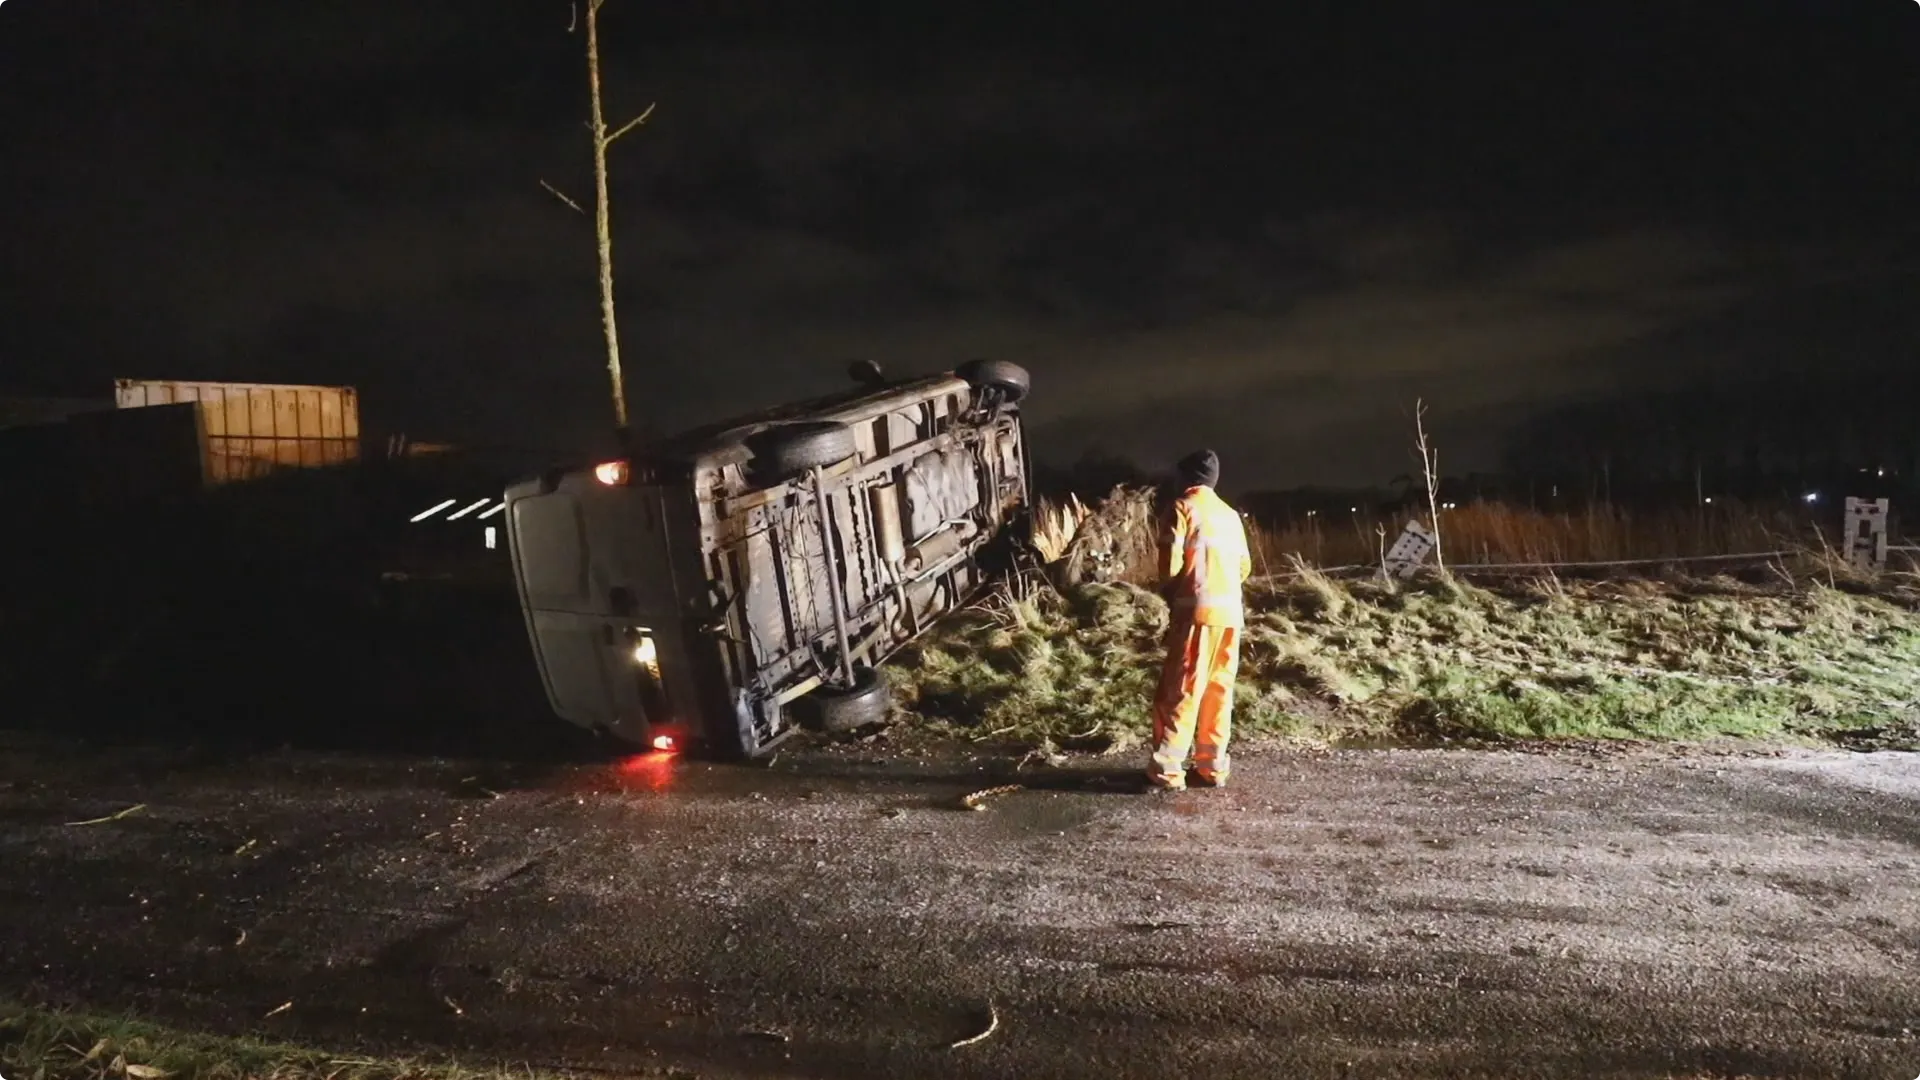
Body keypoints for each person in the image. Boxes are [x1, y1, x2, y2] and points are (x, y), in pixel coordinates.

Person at [1149, 449, 1252, 791]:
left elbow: (1169, 569)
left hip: (1196, 615)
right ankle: (1212, 767)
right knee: (1219, 691)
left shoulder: (1181, 509)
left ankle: (1168, 769)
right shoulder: (1230, 515)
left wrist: (1173, 594)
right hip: (1230, 617)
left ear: (1186, 478)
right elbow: (1244, 568)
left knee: (1182, 689)